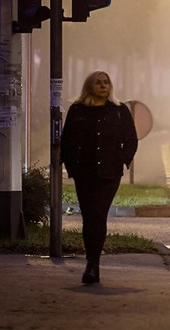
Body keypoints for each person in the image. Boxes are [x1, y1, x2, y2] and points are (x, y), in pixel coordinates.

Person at [60, 70, 138, 284]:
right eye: (98, 83)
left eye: (106, 82)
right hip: (84, 173)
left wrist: (123, 158)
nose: (103, 86)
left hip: (109, 173)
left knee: (98, 214)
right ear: (89, 86)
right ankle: (91, 262)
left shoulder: (119, 110)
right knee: (89, 216)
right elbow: (67, 139)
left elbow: (131, 138)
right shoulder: (77, 110)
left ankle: (93, 265)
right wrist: (71, 166)